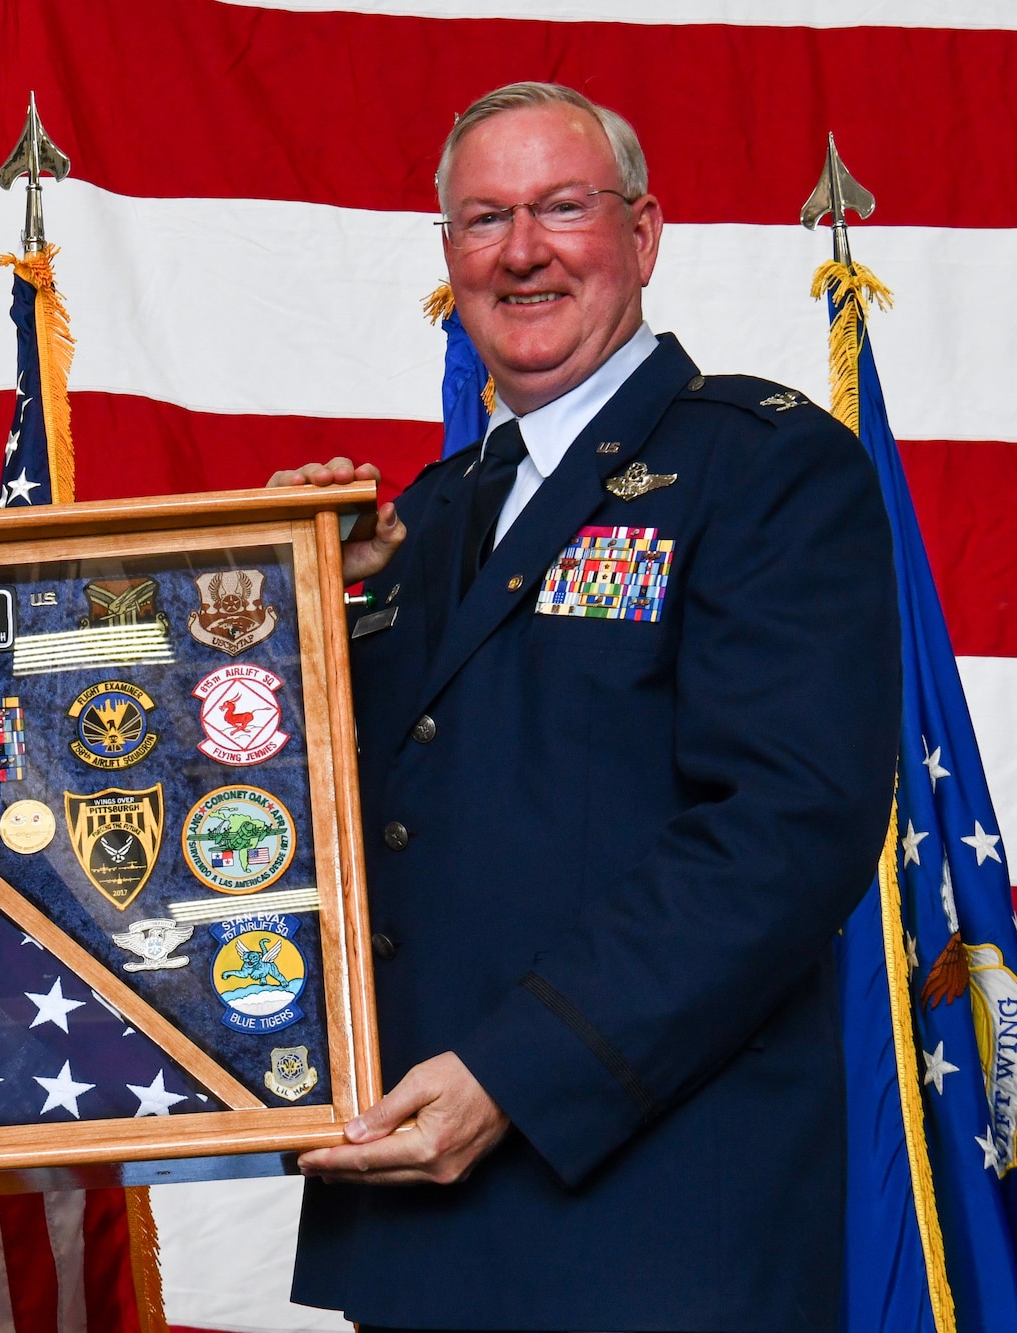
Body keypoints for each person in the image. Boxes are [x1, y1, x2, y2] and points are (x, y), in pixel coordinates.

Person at [274, 83, 898, 1331]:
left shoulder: (763, 465)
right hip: (418, 1221)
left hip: (651, 1226)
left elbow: (784, 829)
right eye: (480, 219)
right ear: (447, 258)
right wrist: (293, 609)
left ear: (644, 233)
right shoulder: (423, 517)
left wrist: (514, 1073)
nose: (519, 251)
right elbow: (356, 829)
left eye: (562, 208)